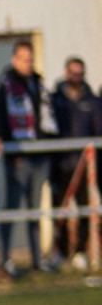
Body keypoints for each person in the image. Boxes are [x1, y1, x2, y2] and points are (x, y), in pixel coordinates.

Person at [0, 42, 58, 276]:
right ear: (14, 60)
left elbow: (46, 118)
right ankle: (5, 258)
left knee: (36, 212)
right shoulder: (5, 87)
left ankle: (37, 260)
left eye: (30, 59)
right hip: (19, 159)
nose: (28, 63)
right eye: (23, 59)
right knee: (11, 209)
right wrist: (11, 151)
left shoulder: (38, 84)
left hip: (40, 158)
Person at [48, 57, 101, 269]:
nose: (76, 77)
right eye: (73, 72)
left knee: (85, 209)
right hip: (61, 164)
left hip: (83, 165)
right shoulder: (55, 100)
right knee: (58, 209)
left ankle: (80, 251)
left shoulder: (92, 102)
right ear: (66, 73)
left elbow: (97, 131)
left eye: (80, 73)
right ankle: (60, 251)